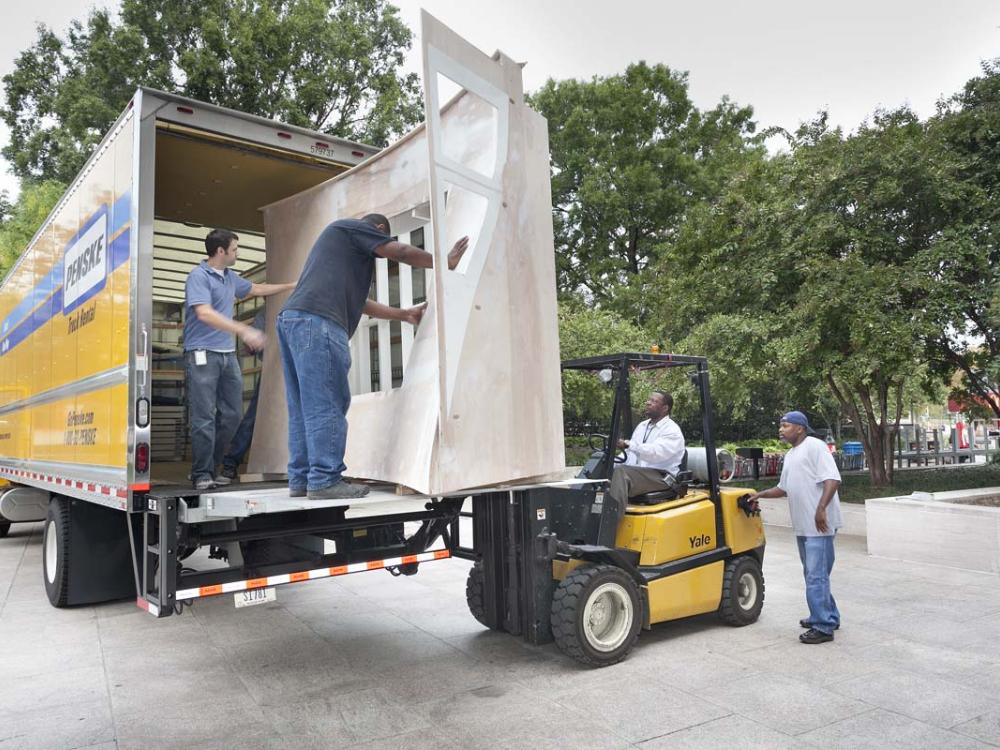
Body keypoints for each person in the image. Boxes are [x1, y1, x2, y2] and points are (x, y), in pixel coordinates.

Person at [278, 214, 468, 500]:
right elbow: (401, 251)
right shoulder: (355, 228)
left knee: (304, 406)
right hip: (318, 323)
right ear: (378, 231)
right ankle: (324, 480)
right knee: (327, 403)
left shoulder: (338, 253)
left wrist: (403, 314)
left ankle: (303, 479)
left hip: (294, 320)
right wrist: (445, 262)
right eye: (381, 243)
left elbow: (361, 303)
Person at [184, 229, 295, 490]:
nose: (237, 253)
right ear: (221, 251)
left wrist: (291, 285)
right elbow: (204, 314)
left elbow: (256, 289)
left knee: (233, 416)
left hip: (226, 355)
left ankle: (208, 467)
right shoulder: (198, 277)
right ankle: (202, 474)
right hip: (202, 354)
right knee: (204, 417)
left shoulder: (230, 278)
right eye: (234, 249)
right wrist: (244, 330)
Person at [747, 411, 843, 644]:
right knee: (814, 574)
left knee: (816, 576)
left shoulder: (815, 446)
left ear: (800, 428)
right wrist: (759, 494)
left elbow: (833, 479)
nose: (781, 430)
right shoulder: (791, 454)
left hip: (819, 526)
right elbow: (783, 488)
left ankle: (823, 627)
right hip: (803, 526)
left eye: (785, 425)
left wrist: (821, 509)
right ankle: (828, 615)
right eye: (780, 426)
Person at [606, 390, 685, 518]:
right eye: (648, 400)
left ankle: (608, 528)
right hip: (640, 474)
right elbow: (630, 454)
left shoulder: (672, 430)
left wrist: (627, 444)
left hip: (661, 477)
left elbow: (655, 453)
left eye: (654, 401)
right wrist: (610, 462)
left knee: (622, 473)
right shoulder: (642, 426)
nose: (648, 403)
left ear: (665, 408)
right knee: (603, 467)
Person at [219, 308, 265, 482]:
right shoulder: (266, 313)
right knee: (253, 417)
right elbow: (250, 347)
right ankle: (230, 462)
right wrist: (252, 343)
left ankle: (230, 463)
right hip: (272, 372)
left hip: (297, 366)